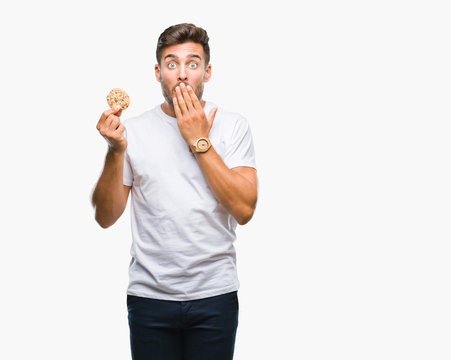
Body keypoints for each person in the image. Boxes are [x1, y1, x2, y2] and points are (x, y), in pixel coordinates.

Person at [91, 23, 258, 360]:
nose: (182, 75)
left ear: (207, 72)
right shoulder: (133, 131)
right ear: (158, 72)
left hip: (215, 294)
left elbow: (245, 209)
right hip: (150, 298)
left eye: (192, 64)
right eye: (172, 64)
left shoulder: (233, 125)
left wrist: (198, 139)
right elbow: (105, 217)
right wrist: (115, 150)